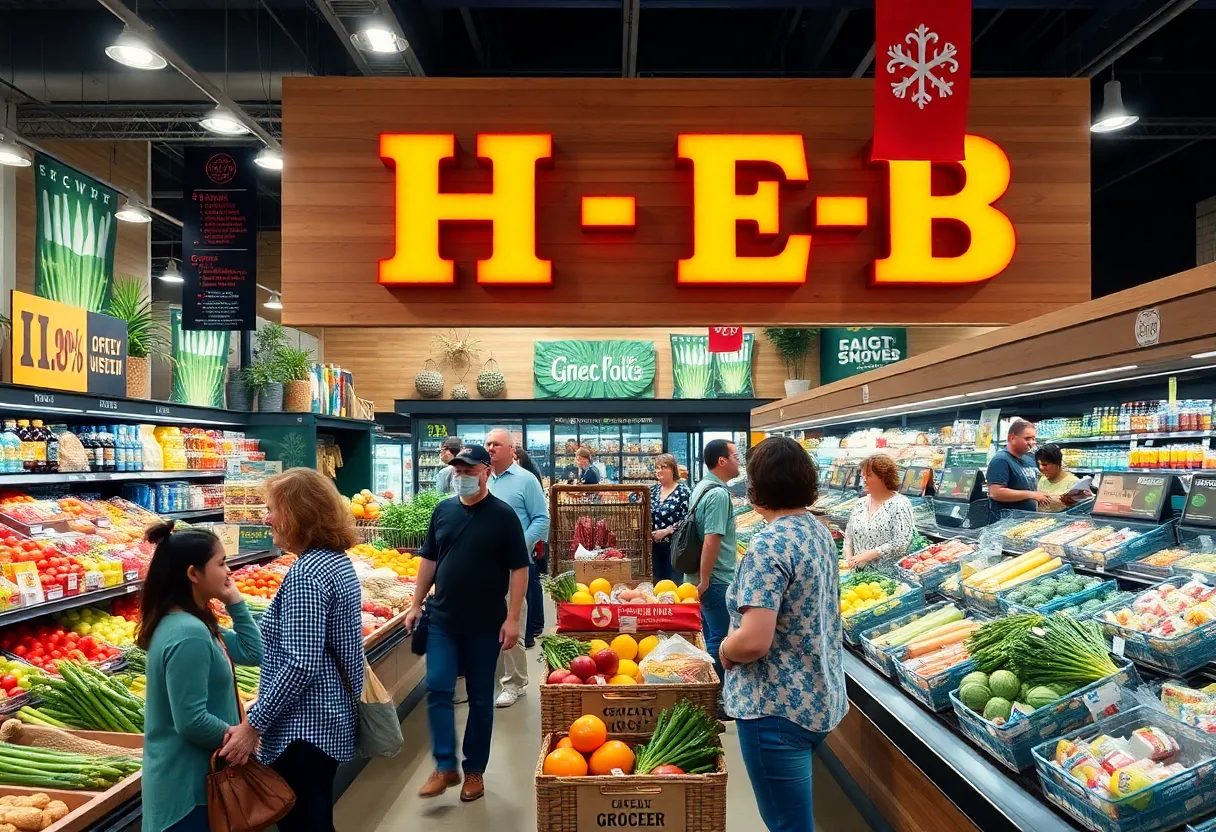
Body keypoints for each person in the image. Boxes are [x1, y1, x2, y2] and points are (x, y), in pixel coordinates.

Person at [718, 436, 846, 832]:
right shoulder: (818, 530)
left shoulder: (768, 544)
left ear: (758, 487)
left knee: (789, 825)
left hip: (774, 705)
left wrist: (724, 648)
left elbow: (754, 641)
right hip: (819, 696)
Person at [226, 468, 363, 832]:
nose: (267, 518)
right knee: (316, 818)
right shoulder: (336, 560)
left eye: (273, 509)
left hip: (303, 728)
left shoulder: (307, 573)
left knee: (304, 823)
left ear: (299, 514)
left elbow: (300, 663)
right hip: (329, 716)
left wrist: (253, 725)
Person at [406, 444, 529, 802]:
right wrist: (416, 604)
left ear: (487, 472)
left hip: (485, 623)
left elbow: (519, 569)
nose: (463, 477)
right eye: (458, 471)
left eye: (470, 471)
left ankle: (474, 769)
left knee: (479, 698)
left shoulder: (503, 516)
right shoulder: (442, 511)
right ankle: (445, 766)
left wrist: (513, 618)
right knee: (439, 688)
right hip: (442, 619)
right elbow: (429, 559)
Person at [139, 522, 264, 832]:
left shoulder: (193, 623)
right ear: (193, 574)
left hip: (199, 782)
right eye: (221, 563)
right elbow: (191, 720)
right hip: (189, 790)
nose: (229, 570)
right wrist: (239, 741)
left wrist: (235, 601)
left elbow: (252, 651)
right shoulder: (188, 633)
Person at [485, 428, 550, 701]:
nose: (490, 448)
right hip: (483, 566)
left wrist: (518, 546)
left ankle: (515, 683)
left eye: (496, 444)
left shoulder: (526, 481)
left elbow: (541, 518)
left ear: (512, 450)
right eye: (487, 443)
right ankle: (489, 676)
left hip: (514, 567)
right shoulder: (482, 479)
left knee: (513, 623)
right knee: (486, 624)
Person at [682, 438, 739, 711]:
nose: (739, 461)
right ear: (722, 461)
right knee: (718, 637)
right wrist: (705, 580)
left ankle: (706, 693)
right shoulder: (717, 494)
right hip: (714, 579)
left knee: (706, 636)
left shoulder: (702, 487)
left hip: (700, 577)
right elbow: (711, 540)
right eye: (736, 456)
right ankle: (716, 700)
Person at [843, 454, 916, 571]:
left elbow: (901, 543)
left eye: (869, 475)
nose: (864, 480)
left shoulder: (900, 504)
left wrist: (870, 555)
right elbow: (848, 536)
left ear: (884, 477)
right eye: (863, 476)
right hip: (857, 575)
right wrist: (848, 558)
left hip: (886, 577)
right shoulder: (860, 503)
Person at [515, 445, 548, 644]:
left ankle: (532, 628)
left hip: (527, 545)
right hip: (527, 545)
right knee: (531, 585)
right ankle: (534, 625)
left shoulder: (527, 480)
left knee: (529, 585)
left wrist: (526, 542)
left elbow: (541, 518)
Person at [988, 420, 1050, 517]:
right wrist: (1031, 494)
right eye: (1027, 438)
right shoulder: (1001, 460)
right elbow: (995, 493)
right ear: (1011, 438)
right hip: (1007, 523)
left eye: (1033, 438)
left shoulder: (1029, 459)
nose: (1032, 442)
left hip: (1028, 520)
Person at [649, 453, 691, 583]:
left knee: (673, 586)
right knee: (656, 585)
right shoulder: (653, 491)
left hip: (675, 549)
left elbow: (688, 519)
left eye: (663, 467)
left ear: (672, 470)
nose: (659, 471)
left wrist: (667, 531)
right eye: (657, 468)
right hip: (654, 549)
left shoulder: (683, 492)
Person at [1035, 443, 1083, 512]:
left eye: (1045, 464)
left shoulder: (1074, 482)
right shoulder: (1043, 479)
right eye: (1038, 464)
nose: (1041, 468)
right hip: (1041, 521)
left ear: (1057, 462)